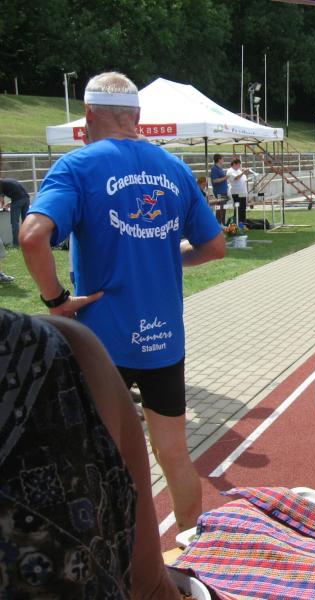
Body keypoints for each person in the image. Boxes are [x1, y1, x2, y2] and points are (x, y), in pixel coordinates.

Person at [19, 71, 225, 534]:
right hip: (164, 338)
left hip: (101, 342)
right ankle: (192, 547)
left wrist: (55, 299)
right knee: (173, 452)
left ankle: (117, 551)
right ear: (138, 117)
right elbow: (214, 247)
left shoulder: (77, 166)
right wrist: (167, 256)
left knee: (100, 454)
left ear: (88, 116)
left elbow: (32, 236)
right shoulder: (174, 168)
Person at [0, 309, 181, 598]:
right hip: (146, 346)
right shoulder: (64, 345)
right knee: (174, 453)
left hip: (123, 345)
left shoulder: (63, 346)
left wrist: (56, 298)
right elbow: (150, 584)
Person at [0, 177, 30, 246]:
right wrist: (9, 203)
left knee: (14, 223)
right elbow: (18, 193)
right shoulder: (9, 181)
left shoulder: (1, 184)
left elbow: (1, 199)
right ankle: (27, 242)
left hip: (18, 201)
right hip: (26, 199)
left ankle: (16, 244)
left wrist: (2, 207)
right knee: (26, 222)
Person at [226, 157, 253, 224]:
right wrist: (243, 172)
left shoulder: (238, 171)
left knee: (243, 208)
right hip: (236, 192)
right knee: (238, 208)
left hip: (243, 192)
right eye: (239, 164)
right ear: (234, 164)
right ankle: (237, 222)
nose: (239, 166)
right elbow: (236, 178)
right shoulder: (230, 171)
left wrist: (246, 174)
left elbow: (242, 178)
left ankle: (243, 222)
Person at [210, 153, 228, 224]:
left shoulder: (220, 168)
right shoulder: (214, 169)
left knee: (223, 208)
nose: (223, 160)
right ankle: (218, 224)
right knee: (220, 208)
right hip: (219, 192)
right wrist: (225, 178)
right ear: (219, 160)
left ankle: (223, 223)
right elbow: (215, 180)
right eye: (222, 159)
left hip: (223, 191)